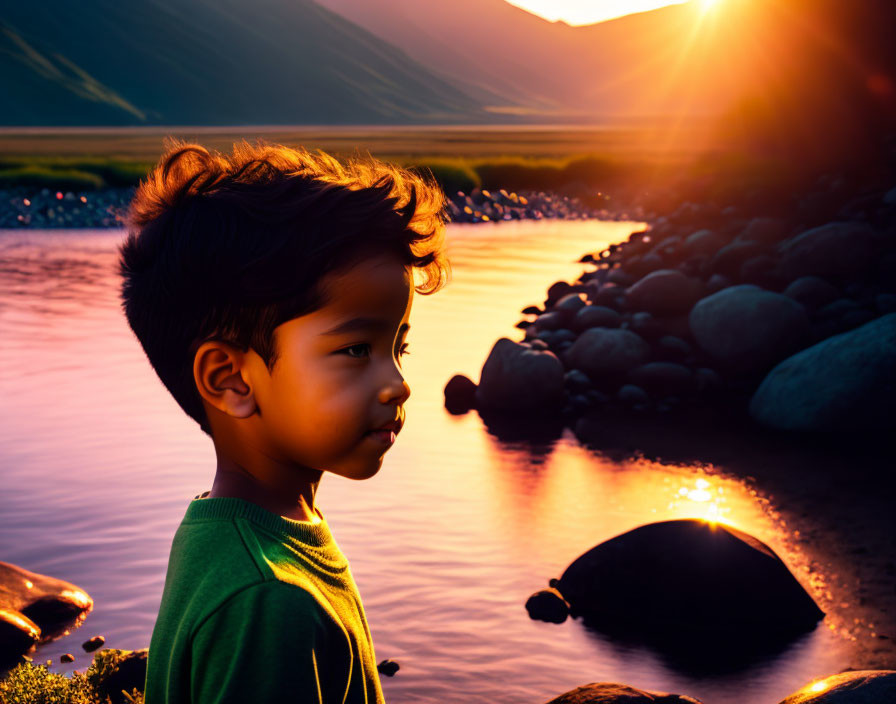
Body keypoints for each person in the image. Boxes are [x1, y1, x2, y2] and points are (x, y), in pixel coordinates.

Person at [118, 139, 450, 703]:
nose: (398, 383)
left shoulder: (229, 531)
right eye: (354, 350)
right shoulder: (270, 600)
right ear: (231, 379)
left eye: (399, 346)